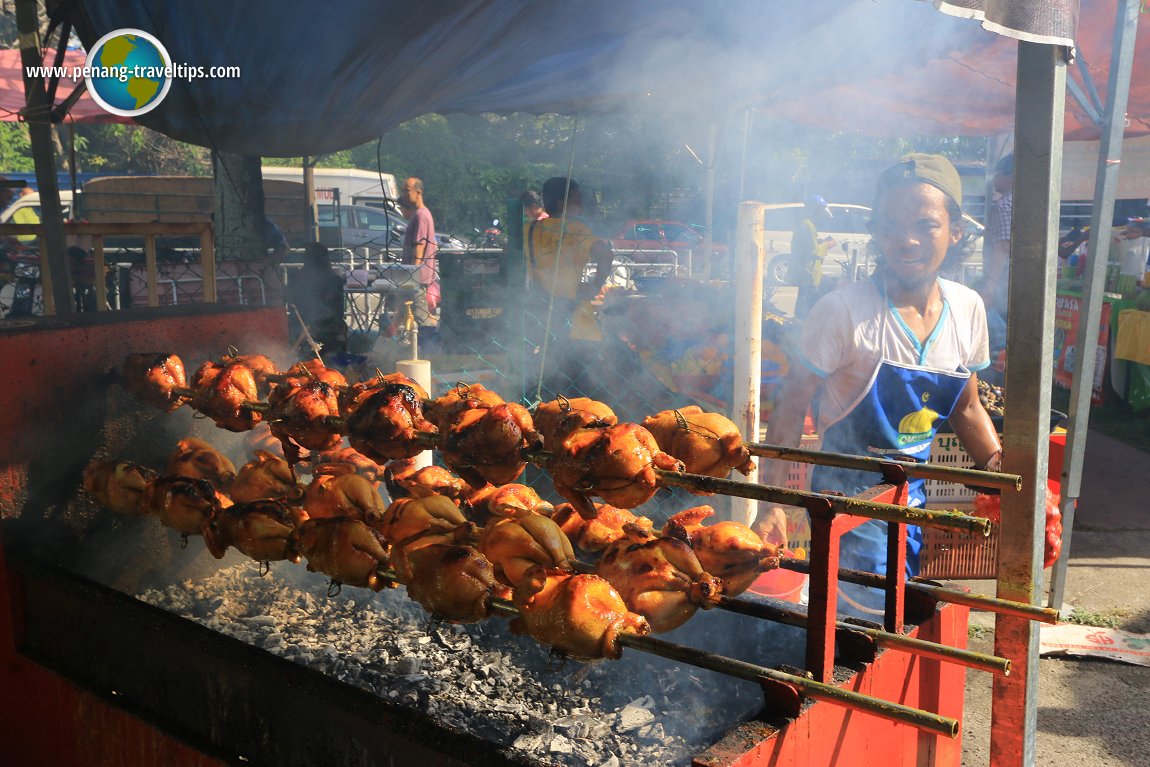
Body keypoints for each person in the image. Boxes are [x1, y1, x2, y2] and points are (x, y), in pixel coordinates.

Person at [753, 153, 1002, 616]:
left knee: (892, 609)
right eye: (890, 226)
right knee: (862, 618)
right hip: (847, 502)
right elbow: (791, 404)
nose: (905, 240)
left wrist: (998, 469)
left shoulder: (968, 309)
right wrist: (772, 501)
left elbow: (966, 408)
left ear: (957, 231)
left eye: (926, 225)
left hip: (913, 496)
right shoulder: (842, 311)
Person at [524, 176, 614, 396]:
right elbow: (605, 254)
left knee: (550, 386)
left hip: (543, 317)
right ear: (561, 204)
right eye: (577, 199)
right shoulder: (575, 229)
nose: (581, 204)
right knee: (583, 390)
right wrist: (594, 285)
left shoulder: (530, 229)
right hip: (578, 322)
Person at [286, 242, 347, 359]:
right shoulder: (334, 280)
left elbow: (290, 305)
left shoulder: (295, 278)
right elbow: (339, 312)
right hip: (327, 331)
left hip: (301, 327)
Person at [979, 153, 1013, 360]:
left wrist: (989, 289)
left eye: (997, 174)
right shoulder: (1029, 204)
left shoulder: (1004, 205)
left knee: (999, 342)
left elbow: (1002, 248)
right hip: (1020, 286)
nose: (993, 180)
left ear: (1010, 175)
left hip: (1004, 285)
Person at [400, 176, 439, 325]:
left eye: (407, 190)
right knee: (408, 317)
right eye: (403, 190)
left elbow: (419, 247)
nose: (404, 194)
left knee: (420, 318)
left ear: (418, 192)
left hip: (417, 279)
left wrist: (412, 275)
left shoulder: (421, 215)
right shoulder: (420, 214)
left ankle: (429, 347)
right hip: (417, 278)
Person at [790, 195, 836, 320]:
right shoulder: (807, 225)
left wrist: (820, 241)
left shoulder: (807, 225)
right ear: (815, 211)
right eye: (820, 214)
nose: (821, 218)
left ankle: (800, 326)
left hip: (809, 274)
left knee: (805, 304)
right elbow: (813, 251)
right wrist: (827, 245)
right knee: (808, 308)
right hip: (808, 275)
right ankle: (801, 330)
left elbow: (809, 245)